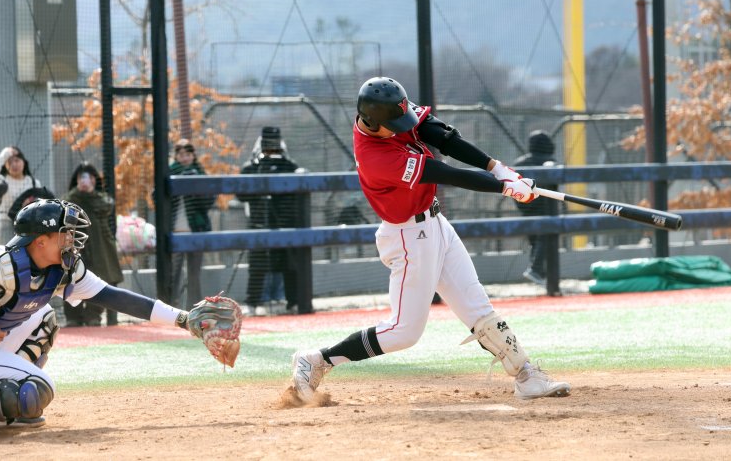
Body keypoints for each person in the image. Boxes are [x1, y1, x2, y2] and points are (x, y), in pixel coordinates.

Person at [290, 76, 570, 402]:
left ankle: (526, 375)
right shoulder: (376, 157)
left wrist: (498, 168)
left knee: (477, 306)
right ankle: (317, 361)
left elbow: (442, 136)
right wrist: (504, 187)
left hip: (435, 224)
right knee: (404, 332)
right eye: (395, 123)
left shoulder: (388, 116)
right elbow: (445, 173)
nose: (402, 126)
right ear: (372, 120)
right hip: (409, 237)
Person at [0, 199, 196, 428]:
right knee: (36, 389)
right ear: (41, 241)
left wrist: (184, 319)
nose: (72, 239)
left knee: (43, 319)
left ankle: (2, 397)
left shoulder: (62, 270)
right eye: (65, 233)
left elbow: (115, 297)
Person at [237, 127, 304, 315]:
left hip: (285, 224)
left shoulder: (290, 166)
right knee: (257, 266)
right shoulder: (251, 168)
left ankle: (294, 302)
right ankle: (252, 303)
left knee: (291, 266)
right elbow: (241, 195)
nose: (271, 150)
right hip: (259, 223)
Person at [62, 163, 124, 327]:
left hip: (100, 247)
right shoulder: (69, 199)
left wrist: (90, 193)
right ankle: (73, 316)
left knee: (100, 278)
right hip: (75, 245)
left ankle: (93, 315)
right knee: (71, 277)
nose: (85, 180)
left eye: (89, 177)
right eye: (82, 177)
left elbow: (106, 207)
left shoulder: (101, 199)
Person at [170, 139, 215, 309]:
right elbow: (156, 198)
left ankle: (194, 307)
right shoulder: (169, 173)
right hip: (174, 231)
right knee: (173, 272)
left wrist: (194, 185)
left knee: (194, 272)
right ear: (176, 156)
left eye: (188, 154)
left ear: (193, 155)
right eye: (181, 154)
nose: (185, 158)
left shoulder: (200, 173)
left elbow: (209, 202)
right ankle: (170, 305)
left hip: (196, 230)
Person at [512, 130, 558, 290]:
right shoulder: (550, 162)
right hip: (546, 209)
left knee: (535, 240)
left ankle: (539, 273)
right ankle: (537, 270)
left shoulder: (520, 163)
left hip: (526, 208)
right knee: (544, 238)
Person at [0, 146, 48, 245]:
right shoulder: (2, 180)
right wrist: (5, 153)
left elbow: (41, 204)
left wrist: (31, 203)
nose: (14, 165)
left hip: (27, 226)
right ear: (5, 165)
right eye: (9, 162)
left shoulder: (33, 182)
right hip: (6, 227)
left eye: (17, 160)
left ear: (23, 161)